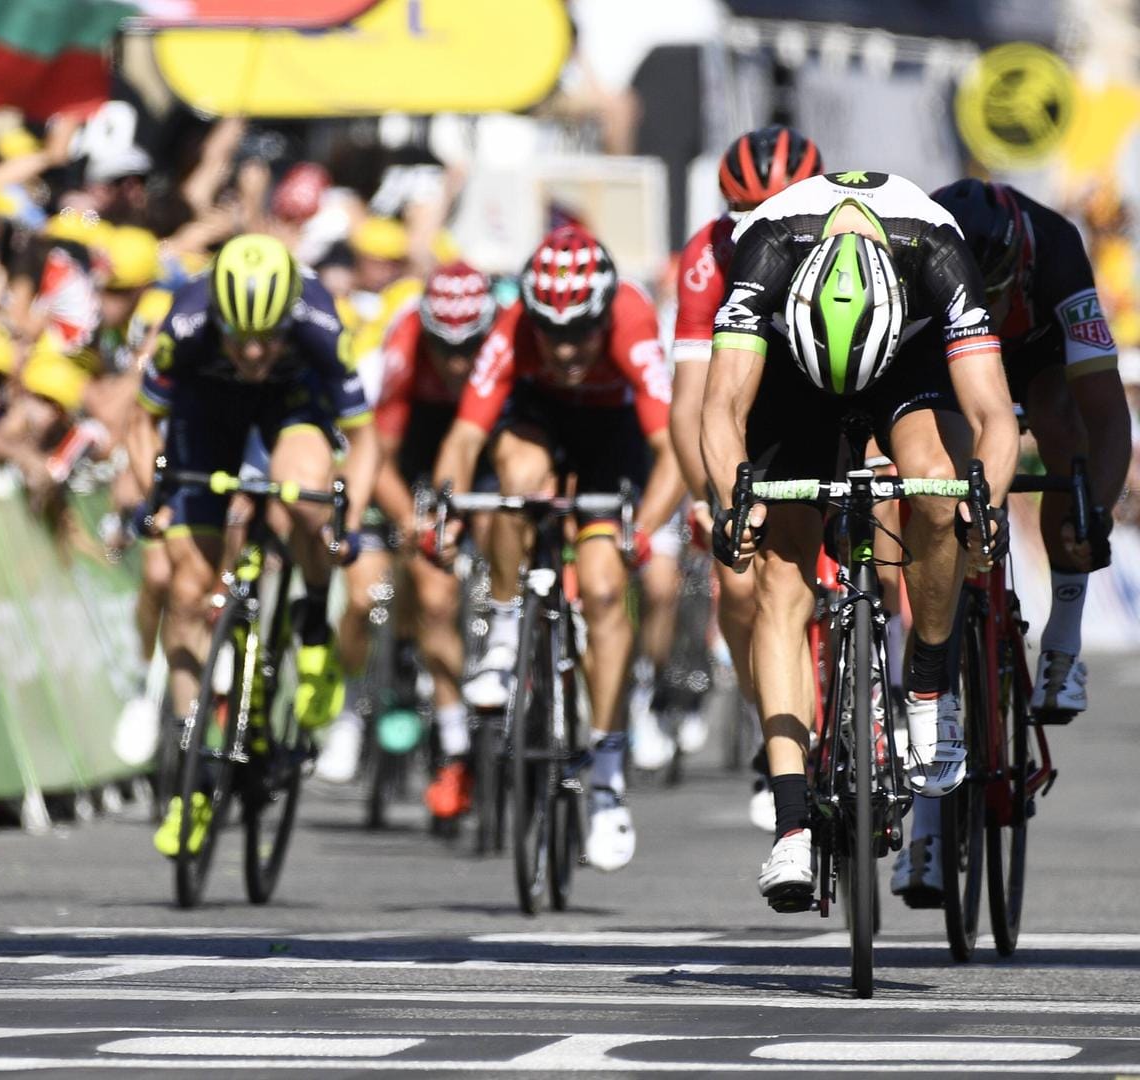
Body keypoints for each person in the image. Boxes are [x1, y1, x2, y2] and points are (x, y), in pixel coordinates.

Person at [699, 170, 1018, 913]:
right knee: (781, 578)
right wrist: (732, 498)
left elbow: (994, 416)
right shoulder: (766, 251)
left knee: (938, 490)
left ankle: (931, 683)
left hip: (904, 357)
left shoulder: (938, 251)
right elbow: (721, 407)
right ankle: (790, 827)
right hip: (793, 370)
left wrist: (987, 504)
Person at [886, 180, 1135, 906]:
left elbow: (1106, 411)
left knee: (1065, 432)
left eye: (992, 286)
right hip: (949, 358)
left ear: (1017, 266)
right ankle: (926, 829)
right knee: (944, 483)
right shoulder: (918, 250)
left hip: (1036, 358)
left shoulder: (1057, 250)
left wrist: (1092, 508)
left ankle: (1061, 641)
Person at [432, 225, 682, 872]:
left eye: (581, 334)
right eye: (553, 333)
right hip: (539, 422)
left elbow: (672, 451)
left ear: (603, 316)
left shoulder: (630, 316)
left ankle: (604, 771)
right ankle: (509, 626)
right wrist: (446, 508)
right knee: (514, 479)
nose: (567, 348)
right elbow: (464, 439)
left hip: (612, 437)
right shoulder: (515, 324)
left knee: (602, 590)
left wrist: (640, 532)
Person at [134, 233, 382, 856]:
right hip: (206, 411)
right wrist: (153, 497)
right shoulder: (186, 322)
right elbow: (142, 423)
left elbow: (367, 441)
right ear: (217, 317)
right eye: (239, 337)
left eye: (267, 337)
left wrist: (345, 527)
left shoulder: (320, 322)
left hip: (292, 404)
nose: (252, 351)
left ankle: (315, 627)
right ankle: (193, 772)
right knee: (188, 592)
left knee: (302, 496)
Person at [669, 124, 825, 828]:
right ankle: (777, 730)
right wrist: (710, 497)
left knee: (890, 562)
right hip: (744, 413)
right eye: (747, 216)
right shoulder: (708, 259)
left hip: (828, 400)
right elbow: (691, 402)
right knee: (738, 584)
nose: (764, 229)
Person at [316, 262, 491, 804]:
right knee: (365, 595)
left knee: (445, 592)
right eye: (445, 349)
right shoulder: (399, 349)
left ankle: (469, 712)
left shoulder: (502, 350)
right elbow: (376, 459)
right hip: (402, 455)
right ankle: (351, 703)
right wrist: (410, 522)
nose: (458, 362)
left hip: (476, 450)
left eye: (470, 349)